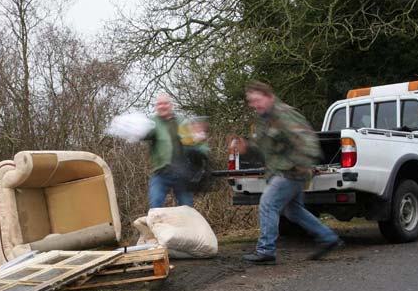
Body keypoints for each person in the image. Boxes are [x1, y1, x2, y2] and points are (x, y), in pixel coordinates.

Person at [232, 81, 343, 264]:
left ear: (269, 96)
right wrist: (247, 149)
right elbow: (266, 151)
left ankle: (266, 250)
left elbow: (307, 141)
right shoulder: (265, 120)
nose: (254, 105)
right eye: (251, 102)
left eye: (257, 100)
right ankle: (328, 238)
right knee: (293, 211)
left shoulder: (284, 114)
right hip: (280, 170)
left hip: (289, 171)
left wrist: (300, 164)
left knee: (268, 204)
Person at [143, 93, 210, 209]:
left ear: (171, 105)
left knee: (187, 207)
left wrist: (203, 151)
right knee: (155, 205)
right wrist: (136, 131)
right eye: (159, 104)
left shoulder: (183, 121)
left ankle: (187, 227)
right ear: (156, 107)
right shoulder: (152, 123)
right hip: (161, 173)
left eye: (165, 103)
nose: (162, 106)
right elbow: (144, 134)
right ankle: (157, 227)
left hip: (182, 173)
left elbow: (198, 138)